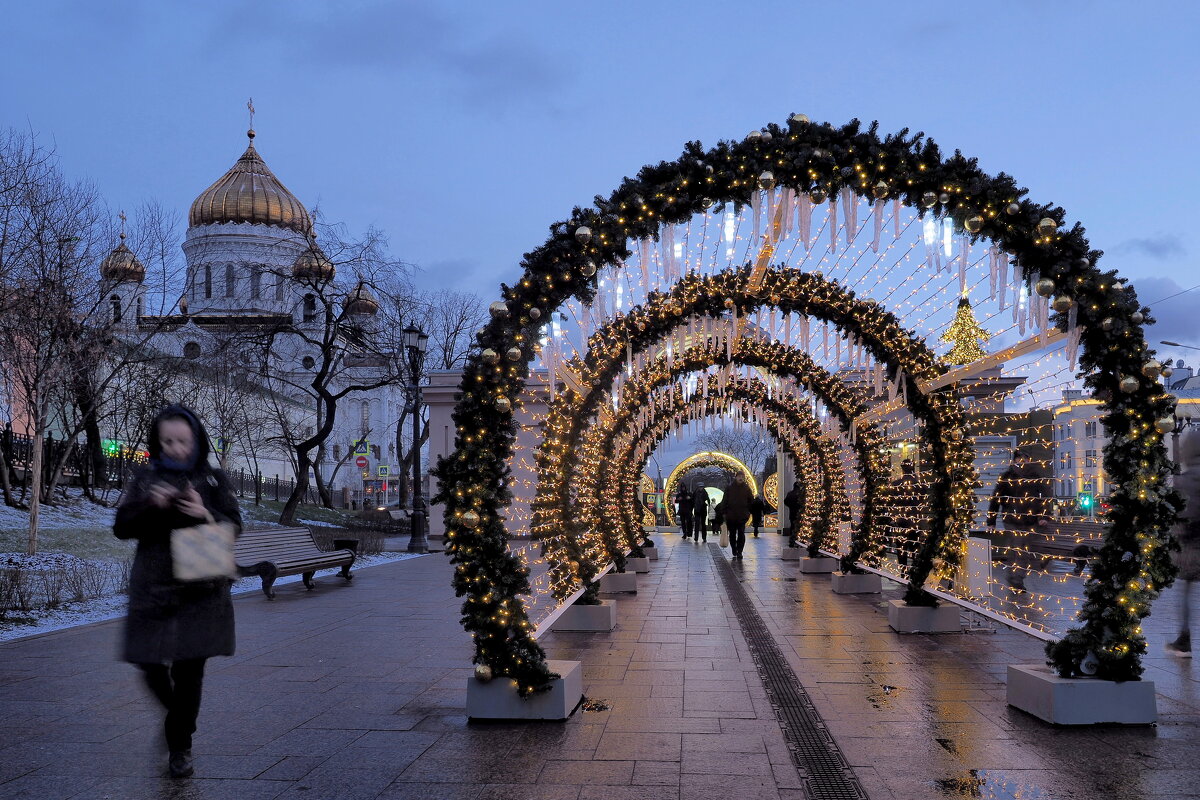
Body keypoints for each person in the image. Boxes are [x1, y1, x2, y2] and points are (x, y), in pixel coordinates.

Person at [114, 405, 242, 779]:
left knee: (189, 670)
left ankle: (180, 747)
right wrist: (148, 506)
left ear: (196, 440)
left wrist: (204, 513)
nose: (175, 448)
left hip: (200, 589)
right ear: (158, 441)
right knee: (148, 664)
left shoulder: (212, 479)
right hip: (153, 588)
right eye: (167, 440)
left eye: (182, 441)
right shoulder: (145, 478)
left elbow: (234, 526)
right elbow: (121, 528)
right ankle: (179, 720)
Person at [986, 449, 1053, 592]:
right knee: (1018, 548)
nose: (1023, 461)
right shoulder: (1007, 477)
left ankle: (1016, 577)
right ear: (1015, 460)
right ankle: (1015, 579)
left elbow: (1045, 498)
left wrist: (1044, 516)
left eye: (1025, 458)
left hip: (1030, 520)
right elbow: (996, 498)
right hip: (1012, 519)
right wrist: (991, 520)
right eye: (1020, 458)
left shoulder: (1036, 477)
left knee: (1024, 550)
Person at [1168, 428, 1200, 656]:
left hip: (1191, 545)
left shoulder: (1183, 480)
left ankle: (1184, 638)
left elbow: (1177, 513)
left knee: (1186, 591)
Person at [887, 460, 927, 567]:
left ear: (902, 469)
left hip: (901, 519)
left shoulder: (895, 484)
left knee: (901, 547)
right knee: (915, 546)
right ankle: (915, 569)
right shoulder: (920, 485)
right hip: (915, 519)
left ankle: (903, 570)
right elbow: (923, 499)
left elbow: (891, 502)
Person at [721, 475, 754, 560]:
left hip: (742, 516)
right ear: (735, 477)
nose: (741, 478)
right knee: (732, 534)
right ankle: (734, 548)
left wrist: (748, 511)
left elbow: (751, 500)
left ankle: (740, 551)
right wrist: (724, 512)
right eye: (739, 476)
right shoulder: (729, 488)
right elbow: (724, 500)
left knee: (741, 534)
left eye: (742, 477)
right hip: (731, 516)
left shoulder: (746, 488)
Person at [783, 480, 806, 547]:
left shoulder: (790, 493)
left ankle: (792, 539)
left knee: (792, 526)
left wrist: (791, 506)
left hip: (792, 512)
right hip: (800, 513)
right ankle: (799, 540)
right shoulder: (801, 494)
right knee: (800, 526)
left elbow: (786, 501)